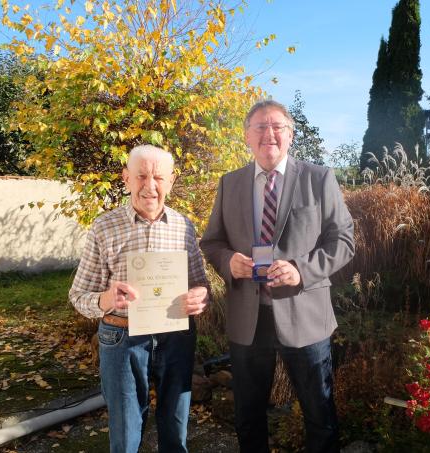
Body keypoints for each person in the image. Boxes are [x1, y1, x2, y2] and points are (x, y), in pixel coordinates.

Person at [200, 100, 355, 453]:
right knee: (248, 417)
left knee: (319, 413)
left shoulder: (319, 178)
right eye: (260, 127)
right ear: (246, 136)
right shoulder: (230, 183)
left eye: (277, 127)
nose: (268, 134)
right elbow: (212, 242)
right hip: (248, 320)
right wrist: (228, 262)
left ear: (290, 135)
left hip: (305, 317)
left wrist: (301, 268)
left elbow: (344, 241)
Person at [69, 144, 210, 453]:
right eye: (141, 176)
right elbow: (79, 295)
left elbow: (201, 285)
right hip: (122, 337)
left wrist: (201, 296)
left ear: (171, 181)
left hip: (175, 336)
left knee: (175, 427)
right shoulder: (104, 227)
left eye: (158, 177)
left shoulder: (184, 227)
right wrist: (107, 298)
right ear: (126, 178)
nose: (150, 186)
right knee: (126, 431)